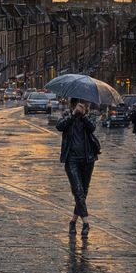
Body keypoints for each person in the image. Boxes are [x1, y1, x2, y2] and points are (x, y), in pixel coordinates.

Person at [56, 98, 100, 235]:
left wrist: (84, 115)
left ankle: (73, 221)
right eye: (77, 105)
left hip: (88, 160)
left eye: (83, 105)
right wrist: (73, 114)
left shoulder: (89, 116)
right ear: (72, 105)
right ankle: (86, 223)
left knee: (83, 192)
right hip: (72, 160)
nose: (80, 107)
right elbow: (59, 126)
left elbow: (93, 128)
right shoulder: (67, 115)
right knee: (78, 191)